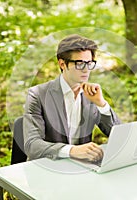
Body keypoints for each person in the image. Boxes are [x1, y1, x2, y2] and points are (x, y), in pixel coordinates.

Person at [23, 34, 121, 162]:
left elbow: (118, 136)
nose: (86, 70)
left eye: (89, 63)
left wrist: (101, 104)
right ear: (62, 64)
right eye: (80, 63)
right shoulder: (37, 95)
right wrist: (72, 151)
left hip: (82, 167)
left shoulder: (91, 94)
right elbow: (32, 146)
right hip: (49, 168)